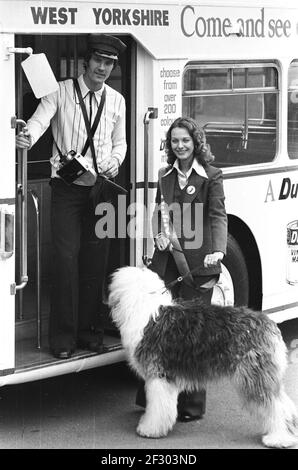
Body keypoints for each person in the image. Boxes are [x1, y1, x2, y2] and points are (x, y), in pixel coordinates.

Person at [16, 34, 127, 359]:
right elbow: (39, 121)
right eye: (98, 61)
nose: (102, 68)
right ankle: (62, 339)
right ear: (86, 62)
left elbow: (121, 143)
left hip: (101, 189)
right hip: (66, 190)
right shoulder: (60, 91)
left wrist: (115, 160)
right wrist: (27, 136)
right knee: (65, 262)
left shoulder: (117, 100)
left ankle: (89, 332)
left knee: (95, 263)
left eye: (109, 63)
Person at [136, 116, 227, 421]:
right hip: (167, 263)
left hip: (199, 263)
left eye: (185, 140)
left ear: (195, 141)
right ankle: (154, 401)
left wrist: (218, 249)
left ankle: (190, 406)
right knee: (158, 333)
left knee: (192, 336)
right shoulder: (165, 174)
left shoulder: (212, 175)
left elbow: (217, 215)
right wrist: (159, 235)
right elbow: (160, 212)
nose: (180, 146)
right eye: (175, 141)